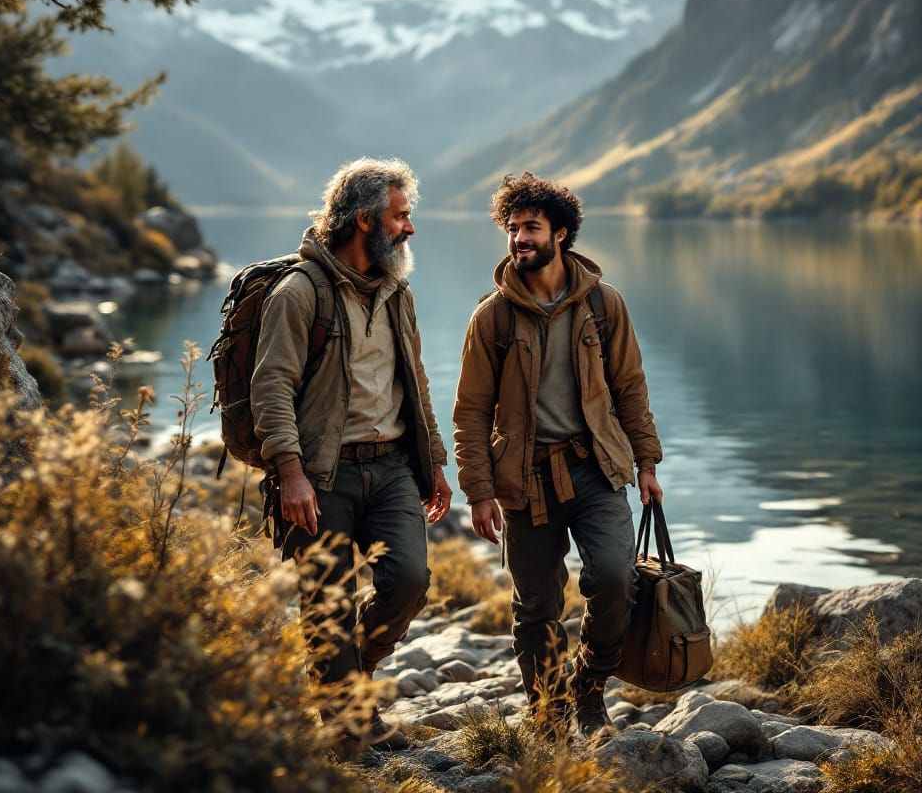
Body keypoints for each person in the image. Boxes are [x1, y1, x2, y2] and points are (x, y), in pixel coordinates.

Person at [250, 157, 452, 753]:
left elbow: (415, 382)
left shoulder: (397, 293)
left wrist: (434, 462)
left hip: (392, 467)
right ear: (365, 221)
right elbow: (271, 387)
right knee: (326, 603)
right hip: (321, 474)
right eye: (401, 216)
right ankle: (344, 725)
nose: (410, 228)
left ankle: (350, 673)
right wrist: (290, 474)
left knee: (409, 579)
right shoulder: (299, 293)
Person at [453, 172, 664, 737]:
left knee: (617, 577)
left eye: (531, 228)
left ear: (561, 234)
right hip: (524, 481)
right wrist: (477, 490)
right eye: (512, 228)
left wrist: (646, 463)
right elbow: (470, 412)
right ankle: (546, 712)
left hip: (596, 469)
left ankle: (590, 687)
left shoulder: (602, 305)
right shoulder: (491, 317)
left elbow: (630, 389)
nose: (519, 238)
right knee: (537, 608)